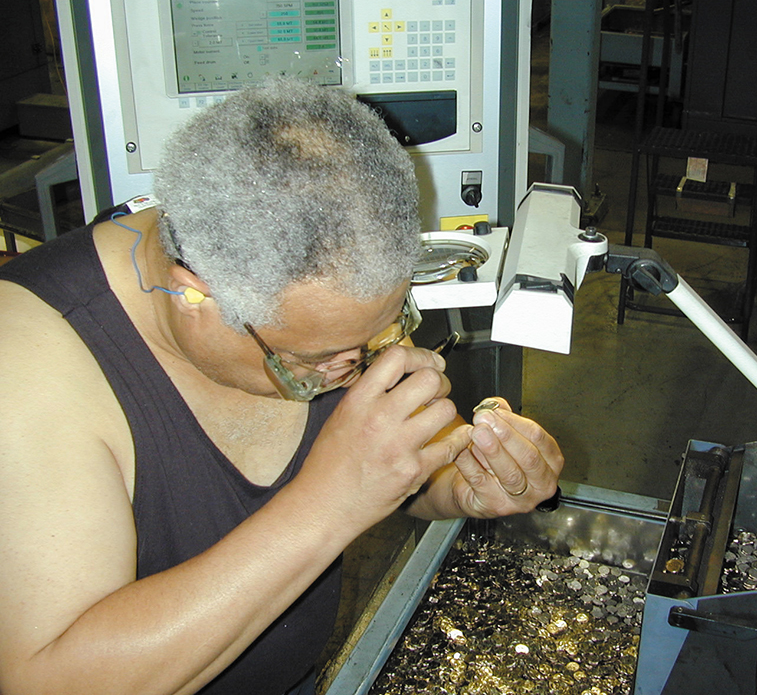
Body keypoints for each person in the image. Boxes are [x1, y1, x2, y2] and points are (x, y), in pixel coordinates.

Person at [0, 78, 564, 695]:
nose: (352, 372)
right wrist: (333, 502)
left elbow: (397, 477)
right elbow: (49, 681)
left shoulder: (325, 296)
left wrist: (458, 485)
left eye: (384, 330)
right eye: (314, 359)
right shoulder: (28, 362)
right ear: (194, 295)